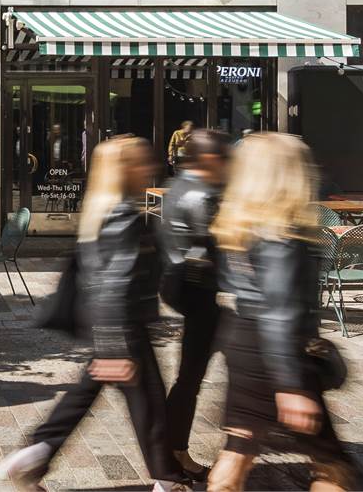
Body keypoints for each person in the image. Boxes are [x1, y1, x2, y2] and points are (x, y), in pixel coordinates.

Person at [0, 134, 186, 492]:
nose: (151, 166)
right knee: (150, 403)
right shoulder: (125, 219)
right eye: (142, 161)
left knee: (87, 394)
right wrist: (114, 346)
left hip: (109, 326)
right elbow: (115, 284)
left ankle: (37, 451)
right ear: (126, 171)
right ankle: (166, 479)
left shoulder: (101, 215)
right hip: (123, 327)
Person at [205, 132, 354, 491]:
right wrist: (290, 385)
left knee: (238, 451)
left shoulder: (237, 228)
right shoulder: (282, 238)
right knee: (332, 466)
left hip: (242, 343)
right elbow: (279, 312)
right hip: (279, 353)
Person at [159, 128, 231, 477]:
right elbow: (214, 247)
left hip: (184, 289)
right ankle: (175, 451)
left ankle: (174, 448)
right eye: (226, 158)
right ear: (212, 159)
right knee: (191, 376)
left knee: (190, 375)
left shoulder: (177, 186)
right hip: (201, 293)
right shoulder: (203, 195)